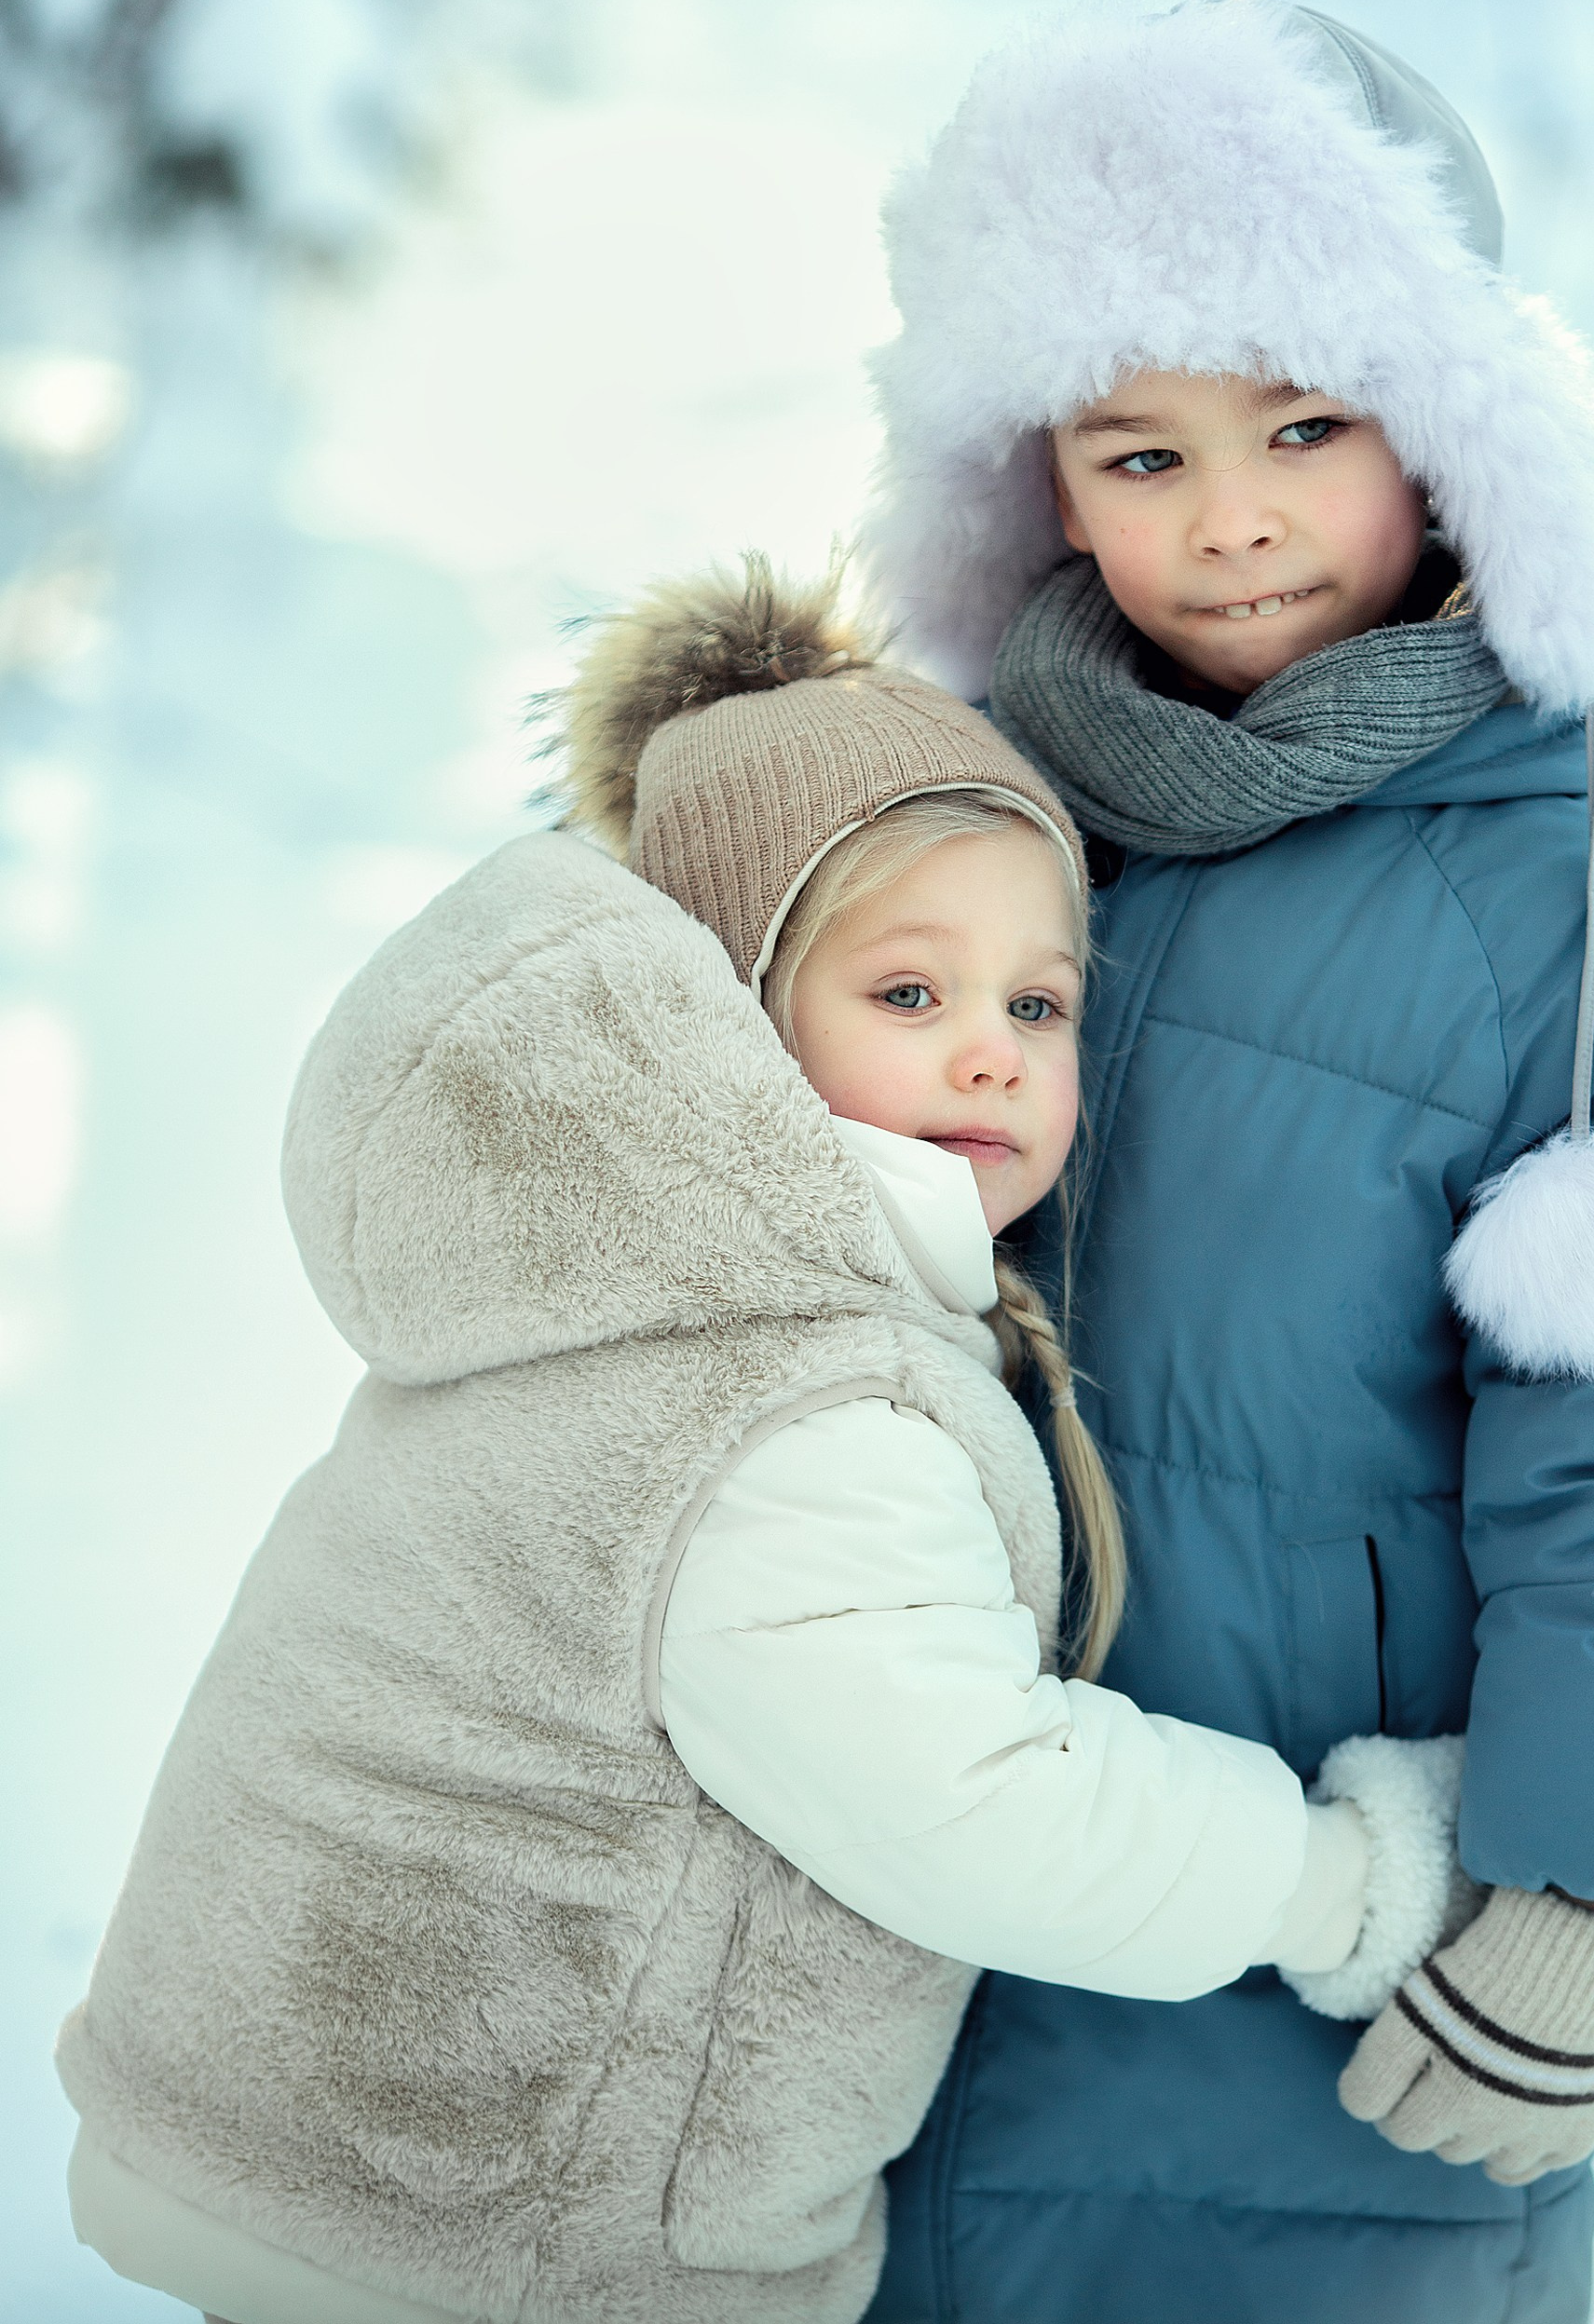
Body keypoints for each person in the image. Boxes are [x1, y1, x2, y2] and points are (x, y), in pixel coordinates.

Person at [59, 563, 1469, 2324]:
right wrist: (1340, 1881)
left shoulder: (620, 1290)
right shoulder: (798, 1406)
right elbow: (968, 1801)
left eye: (1039, 1006)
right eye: (906, 996)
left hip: (352, 2171)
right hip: (515, 2231)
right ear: (729, 1023)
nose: (991, 1057)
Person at [861, 0, 1594, 2324]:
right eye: (1138, 452)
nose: (1236, 519)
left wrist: (1575, 1899)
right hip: (881, 1920)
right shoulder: (950, 814)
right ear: (1035, 479)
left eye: (1306, 423)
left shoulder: (1591, 926)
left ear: (1455, 420)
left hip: (1325, 1972)